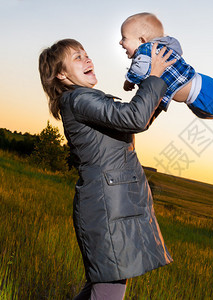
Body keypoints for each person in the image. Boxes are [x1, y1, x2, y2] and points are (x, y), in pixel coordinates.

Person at [38, 38, 175, 300]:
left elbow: (135, 120)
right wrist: (154, 78)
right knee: (109, 288)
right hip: (106, 208)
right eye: (77, 57)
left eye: (86, 54)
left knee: (105, 285)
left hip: (112, 205)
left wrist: (161, 91)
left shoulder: (82, 99)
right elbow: (134, 117)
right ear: (61, 75)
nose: (87, 59)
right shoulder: (78, 100)